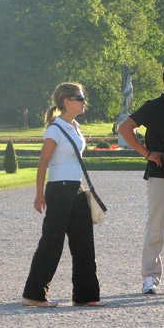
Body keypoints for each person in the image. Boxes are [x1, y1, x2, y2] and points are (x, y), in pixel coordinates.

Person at [22, 83, 105, 308]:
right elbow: (43, 164)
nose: (84, 101)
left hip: (76, 189)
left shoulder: (74, 126)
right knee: (52, 242)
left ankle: (86, 295)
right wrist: (39, 195)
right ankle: (34, 294)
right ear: (66, 101)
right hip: (59, 190)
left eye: (83, 97)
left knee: (84, 243)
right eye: (79, 97)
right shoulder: (55, 129)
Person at [118, 64, 164, 295]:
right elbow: (125, 128)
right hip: (160, 175)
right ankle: (150, 276)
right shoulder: (153, 107)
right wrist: (147, 153)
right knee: (155, 230)